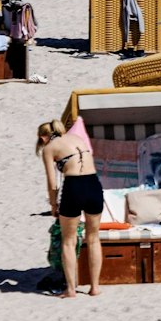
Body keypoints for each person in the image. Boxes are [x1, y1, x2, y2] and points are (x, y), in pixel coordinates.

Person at [37, 120, 103, 298]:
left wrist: (53, 205)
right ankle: (95, 287)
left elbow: (52, 183)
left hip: (74, 187)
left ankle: (71, 290)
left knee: (69, 241)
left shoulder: (49, 148)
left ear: (44, 137)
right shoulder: (76, 138)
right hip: (94, 184)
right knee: (94, 238)